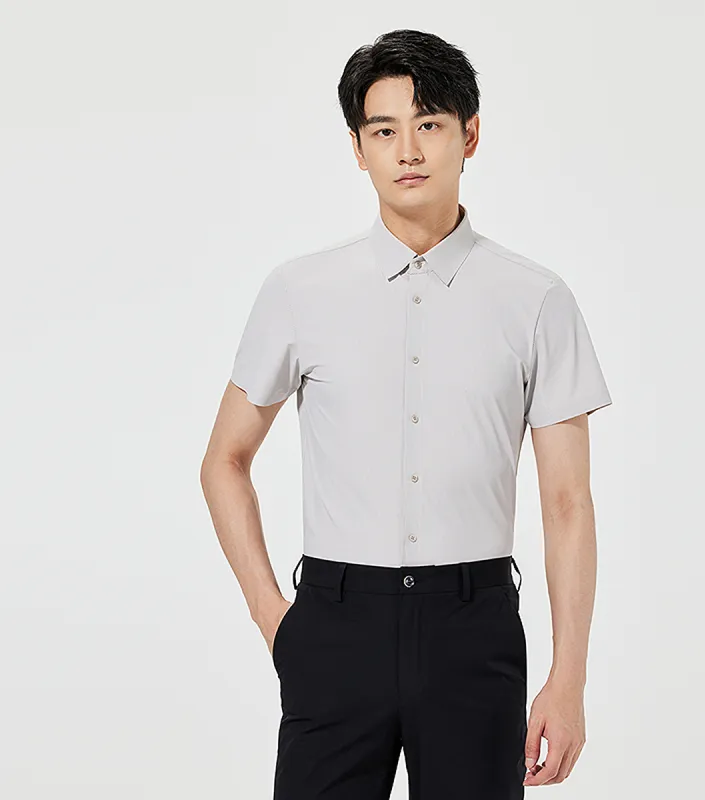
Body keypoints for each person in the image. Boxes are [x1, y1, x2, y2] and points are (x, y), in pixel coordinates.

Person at [200, 28, 612, 798]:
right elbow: (224, 460)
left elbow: (568, 502)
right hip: (335, 627)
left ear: (470, 135)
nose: (409, 151)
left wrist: (569, 679)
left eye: (429, 125)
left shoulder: (536, 300)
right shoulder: (300, 292)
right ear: (358, 149)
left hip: (473, 631)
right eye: (384, 131)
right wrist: (276, 620)